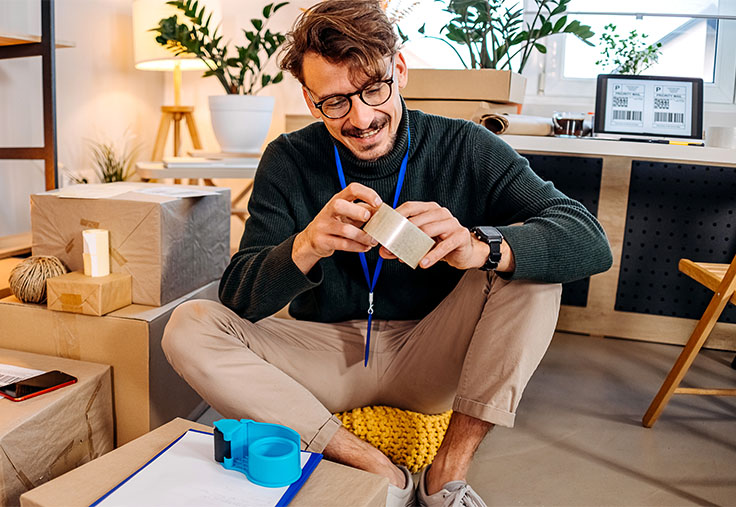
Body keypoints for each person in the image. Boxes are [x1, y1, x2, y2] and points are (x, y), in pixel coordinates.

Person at [163, 1, 612, 505]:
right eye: (335, 102)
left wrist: (477, 245)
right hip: (324, 352)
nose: (362, 118)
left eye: (374, 88)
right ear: (310, 99)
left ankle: (446, 476)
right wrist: (306, 245)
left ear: (399, 70)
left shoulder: (464, 145)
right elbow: (239, 298)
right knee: (188, 325)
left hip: (432, 351)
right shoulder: (289, 158)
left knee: (530, 267)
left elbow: (588, 239)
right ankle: (376, 468)